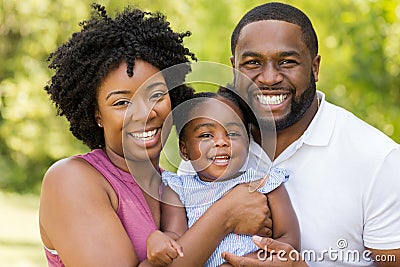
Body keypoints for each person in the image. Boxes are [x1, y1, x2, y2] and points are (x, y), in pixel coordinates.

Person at [39, 3, 274, 267]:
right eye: (121, 103)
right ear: (97, 115)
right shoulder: (72, 180)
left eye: (156, 95)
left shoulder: (176, 186)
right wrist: (226, 215)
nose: (144, 113)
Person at [179, 2, 400, 267]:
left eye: (287, 62)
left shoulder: (377, 159)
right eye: (252, 63)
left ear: (315, 67)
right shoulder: (209, 146)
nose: (270, 78)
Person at [146, 91, 300, 266]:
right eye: (206, 135)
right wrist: (159, 240)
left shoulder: (266, 184)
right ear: (184, 150)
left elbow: (290, 242)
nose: (221, 142)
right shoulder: (177, 191)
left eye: (233, 133)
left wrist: (239, 263)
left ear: (248, 142)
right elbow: (177, 239)